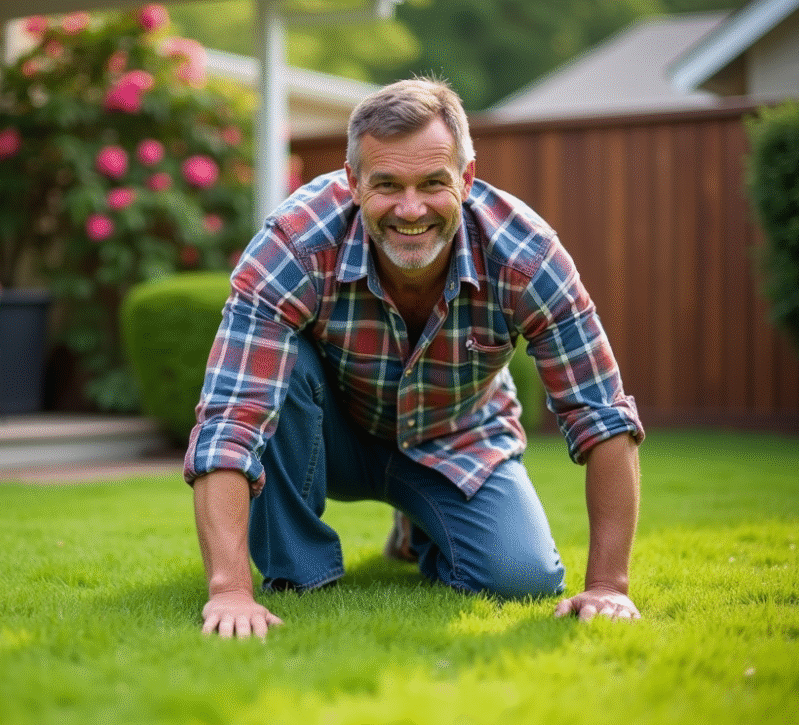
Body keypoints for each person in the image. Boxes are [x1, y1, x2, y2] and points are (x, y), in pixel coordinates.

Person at [184, 78, 645, 639]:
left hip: (457, 436)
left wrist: (606, 588)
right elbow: (231, 417)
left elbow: (601, 414)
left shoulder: (527, 256)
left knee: (521, 579)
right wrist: (229, 591)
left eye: (433, 183)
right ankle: (298, 573)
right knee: (283, 372)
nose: (410, 208)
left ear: (466, 179)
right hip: (327, 434)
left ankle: (419, 528)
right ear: (353, 182)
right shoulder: (296, 242)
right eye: (387, 185)